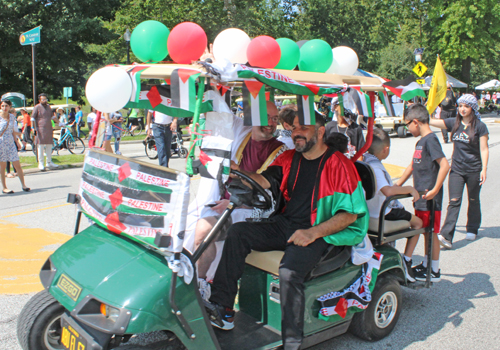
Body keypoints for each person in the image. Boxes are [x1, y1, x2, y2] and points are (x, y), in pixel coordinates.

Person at [205, 114, 368, 349]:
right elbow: (264, 180)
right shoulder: (290, 158)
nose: (296, 133)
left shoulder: (340, 165)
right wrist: (239, 172)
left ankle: (292, 340)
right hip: (287, 223)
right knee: (238, 232)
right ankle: (223, 308)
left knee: (289, 273)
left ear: (321, 132)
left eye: (304, 128)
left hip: (321, 230)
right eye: (294, 128)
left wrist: (312, 233)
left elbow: (350, 215)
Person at [193, 101, 287, 295]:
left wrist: (234, 202)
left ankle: (209, 288)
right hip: (227, 204)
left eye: (275, 119)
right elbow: (219, 109)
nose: (271, 123)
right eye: (266, 117)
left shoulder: (282, 151)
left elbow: (272, 192)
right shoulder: (242, 134)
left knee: (208, 231)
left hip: (256, 211)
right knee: (197, 228)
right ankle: (200, 283)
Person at [396, 104, 450, 282]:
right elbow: (412, 165)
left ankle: (434, 269)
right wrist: (398, 184)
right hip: (421, 196)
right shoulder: (420, 142)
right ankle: (426, 265)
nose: (407, 129)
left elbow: (444, 165)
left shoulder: (431, 140)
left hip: (429, 197)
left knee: (431, 232)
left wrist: (435, 189)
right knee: (425, 230)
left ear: (416, 122)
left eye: (407, 125)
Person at [429, 94, 489, 248]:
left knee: (473, 199)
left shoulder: (480, 127)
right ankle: (446, 236)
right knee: (454, 201)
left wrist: (484, 169)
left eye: (466, 106)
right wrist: (422, 115)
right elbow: (434, 122)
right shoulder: (454, 122)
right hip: (457, 169)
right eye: (460, 106)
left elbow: (484, 149)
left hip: (474, 169)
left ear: (473, 108)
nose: (462, 109)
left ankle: (472, 227)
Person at [364, 128, 423, 280]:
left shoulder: (363, 160)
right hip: (382, 213)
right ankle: (407, 260)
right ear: (386, 149)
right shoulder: (376, 167)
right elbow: (388, 191)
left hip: (367, 211)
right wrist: (409, 188)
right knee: (419, 224)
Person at [0, 99, 30, 194]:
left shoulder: (12, 117)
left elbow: (13, 130)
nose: (4, 108)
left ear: (10, 107)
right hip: (1, 142)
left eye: (6, 106)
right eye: (3, 106)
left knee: (17, 164)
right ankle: (4, 187)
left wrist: (18, 140)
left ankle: (23, 185)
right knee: (2, 165)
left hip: (10, 142)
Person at [31, 93, 58, 171]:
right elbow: (32, 118)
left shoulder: (49, 107)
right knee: (41, 146)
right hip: (40, 129)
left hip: (49, 129)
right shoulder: (37, 107)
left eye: (45, 99)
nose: (45, 100)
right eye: (43, 99)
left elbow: (52, 117)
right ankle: (41, 163)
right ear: (39, 100)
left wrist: (60, 123)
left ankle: (49, 162)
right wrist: (33, 128)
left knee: (49, 145)